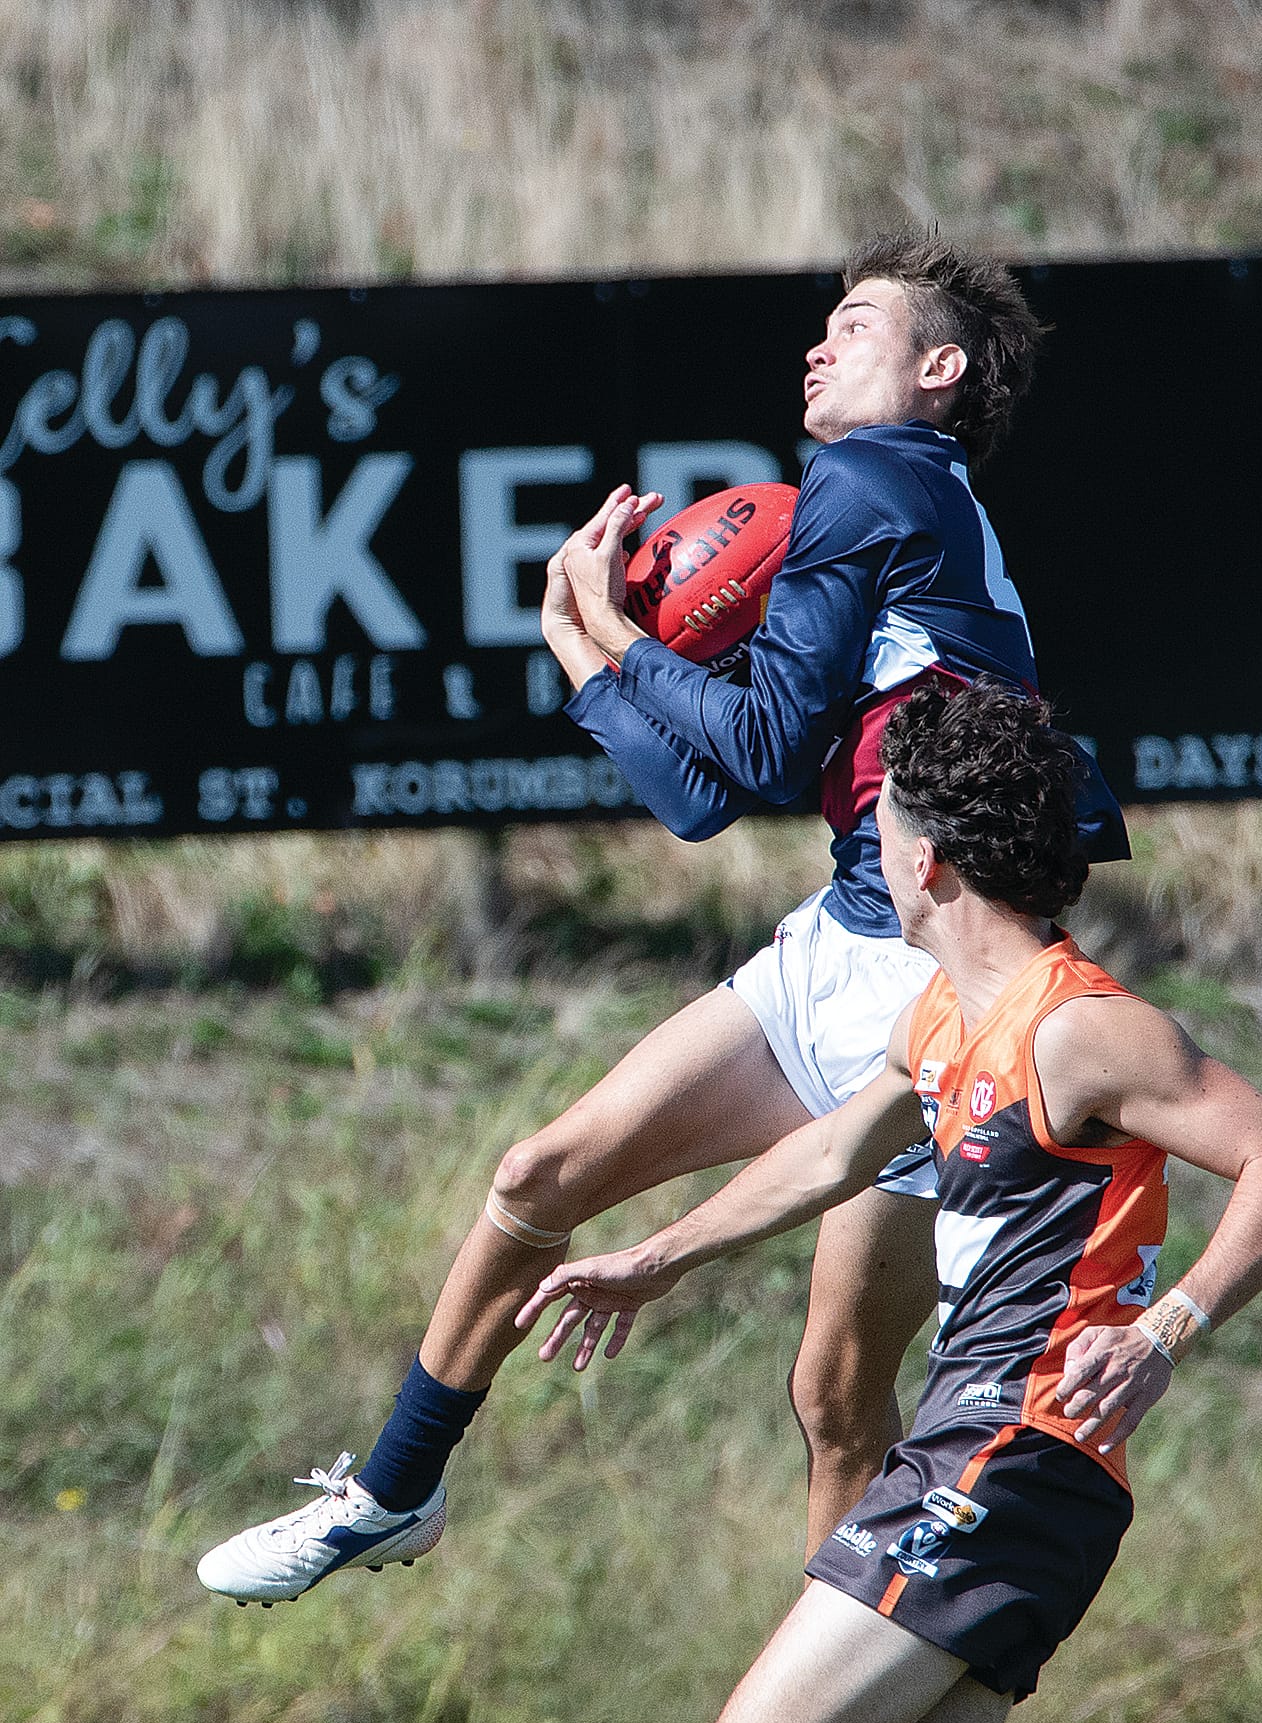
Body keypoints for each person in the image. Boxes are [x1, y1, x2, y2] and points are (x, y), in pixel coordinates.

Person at [356, 679, 1262, 1723]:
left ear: (933, 854)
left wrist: (1169, 1326)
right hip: (1009, 1476)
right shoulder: (944, 1018)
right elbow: (836, 1152)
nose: (863, 829)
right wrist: (656, 1257)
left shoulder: (1083, 1024)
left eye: (879, 811)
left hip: (1001, 1463)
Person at [196, 229, 1130, 1607]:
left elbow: (744, 752)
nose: (817, 345)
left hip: (935, 986)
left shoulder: (873, 475)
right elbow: (702, 796)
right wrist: (582, 647)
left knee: (830, 1387)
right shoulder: (895, 505)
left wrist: (622, 638)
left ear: (939, 370)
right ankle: (391, 1492)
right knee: (558, 1195)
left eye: (856, 325)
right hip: (845, 935)